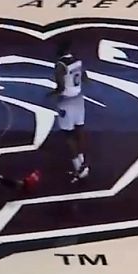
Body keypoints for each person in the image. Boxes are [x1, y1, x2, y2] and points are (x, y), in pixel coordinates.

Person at [48, 41, 89, 183]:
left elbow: (60, 87)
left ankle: (78, 167)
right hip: (79, 99)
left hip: (66, 101)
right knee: (79, 131)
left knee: (68, 135)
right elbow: (85, 79)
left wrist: (50, 95)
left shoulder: (60, 65)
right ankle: (83, 163)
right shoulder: (77, 61)